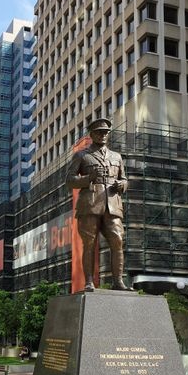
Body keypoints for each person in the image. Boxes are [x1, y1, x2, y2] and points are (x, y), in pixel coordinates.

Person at [66, 118, 133, 292]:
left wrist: (123, 185)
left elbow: (124, 179)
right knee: (89, 243)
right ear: (92, 134)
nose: (103, 135)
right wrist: (89, 178)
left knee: (118, 240)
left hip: (112, 204)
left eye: (105, 132)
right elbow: (70, 180)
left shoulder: (116, 156)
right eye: (99, 132)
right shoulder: (81, 155)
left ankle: (118, 281)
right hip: (90, 203)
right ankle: (89, 281)